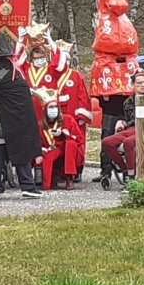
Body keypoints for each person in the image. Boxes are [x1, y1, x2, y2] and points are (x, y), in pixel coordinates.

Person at [0, 30, 43, 200]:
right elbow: (24, 106)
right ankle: (27, 186)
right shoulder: (15, 79)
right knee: (21, 154)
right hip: (12, 127)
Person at [54, 40, 92, 182]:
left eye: (68, 59)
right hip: (55, 118)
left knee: (76, 144)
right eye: (64, 59)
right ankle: (57, 170)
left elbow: (83, 96)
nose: (67, 62)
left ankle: (77, 169)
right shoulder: (51, 74)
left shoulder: (76, 76)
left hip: (73, 119)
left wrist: (82, 114)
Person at [33, 87, 84, 191]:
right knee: (46, 155)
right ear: (45, 110)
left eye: (56, 107)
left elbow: (79, 139)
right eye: (51, 107)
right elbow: (38, 143)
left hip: (70, 154)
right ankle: (50, 178)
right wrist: (42, 149)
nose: (53, 109)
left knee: (70, 144)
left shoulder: (68, 119)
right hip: (51, 152)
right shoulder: (40, 125)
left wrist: (64, 134)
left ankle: (70, 179)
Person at [15, 23, 67, 120]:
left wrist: (51, 42)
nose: (39, 60)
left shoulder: (51, 69)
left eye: (42, 57)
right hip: (28, 108)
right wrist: (20, 40)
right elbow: (15, 63)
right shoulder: (26, 68)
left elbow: (61, 64)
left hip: (47, 110)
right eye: (36, 58)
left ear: (46, 56)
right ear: (31, 58)